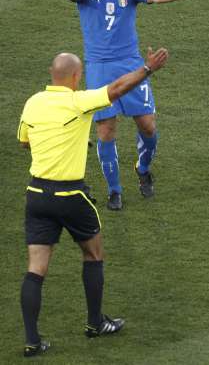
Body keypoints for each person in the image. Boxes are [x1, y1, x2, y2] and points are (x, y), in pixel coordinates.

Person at [17, 46, 169, 357]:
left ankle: (32, 340)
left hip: (36, 196)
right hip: (71, 196)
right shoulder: (79, 101)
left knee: (36, 268)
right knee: (93, 253)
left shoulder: (33, 102)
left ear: (51, 74)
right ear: (76, 76)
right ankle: (95, 323)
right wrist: (147, 69)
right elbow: (116, 89)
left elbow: (25, 141)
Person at [45, 0, 202, 210]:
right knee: (106, 129)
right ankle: (114, 191)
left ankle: (143, 168)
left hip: (131, 65)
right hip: (99, 68)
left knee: (148, 126)